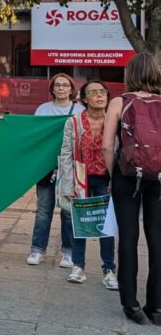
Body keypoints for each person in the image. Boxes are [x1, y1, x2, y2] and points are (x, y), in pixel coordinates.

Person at [102, 52, 161, 325]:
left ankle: (131, 305)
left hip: (128, 176)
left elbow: (106, 145)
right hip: (159, 177)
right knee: (157, 239)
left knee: (128, 237)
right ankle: (157, 306)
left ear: (130, 74)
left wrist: (113, 173)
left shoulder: (119, 102)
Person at [57, 80, 117, 289]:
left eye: (103, 92)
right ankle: (78, 266)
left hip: (106, 180)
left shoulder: (116, 121)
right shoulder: (73, 123)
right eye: (93, 92)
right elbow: (65, 154)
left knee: (106, 225)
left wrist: (117, 180)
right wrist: (68, 185)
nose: (100, 96)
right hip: (82, 179)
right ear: (84, 99)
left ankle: (109, 270)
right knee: (79, 223)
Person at [26, 73, 84, 269]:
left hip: (69, 167)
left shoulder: (80, 110)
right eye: (57, 85)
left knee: (68, 211)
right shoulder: (43, 109)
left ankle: (68, 252)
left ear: (71, 89)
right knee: (43, 210)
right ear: (52, 89)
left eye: (65, 85)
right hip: (46, 167)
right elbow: (34, 134)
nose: (61, 88)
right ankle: (37, 249)